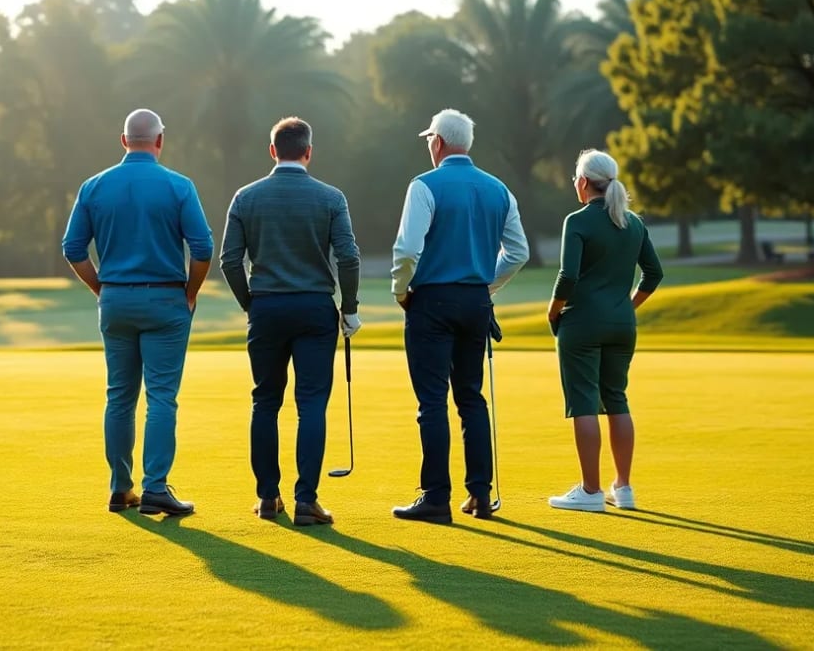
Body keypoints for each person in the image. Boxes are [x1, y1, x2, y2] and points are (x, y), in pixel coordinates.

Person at [62, 109, 214, 517]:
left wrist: (101, 288)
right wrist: (191, 293)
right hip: (166, 299)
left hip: (115, 299)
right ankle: (156, 488)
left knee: (119, 397)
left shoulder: (94, 186)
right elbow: (202, 249)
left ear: (123, 139)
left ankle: (120, 487)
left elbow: (73, 248)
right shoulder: (179, 186)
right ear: (160, 141)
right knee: (161, 396)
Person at [220, 117, 362, 526]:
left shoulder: (245, 197)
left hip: (266, 308)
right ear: (308, 152)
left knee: (265, 401)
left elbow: (230, 260)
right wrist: (349, 307)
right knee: (311, 405)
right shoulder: (331, 198)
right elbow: (348, 257)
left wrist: (251, 303)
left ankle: (267, 497)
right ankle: (306, 500)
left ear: (272, 151)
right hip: (315, 308)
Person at [390, 108, 529, 524]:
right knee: (471, 399)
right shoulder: (498, 188)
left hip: (430, 302)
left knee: (431, 401)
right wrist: (484, 286)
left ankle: (436, 497)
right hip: (475, 304)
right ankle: (480, 495)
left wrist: (401, 293)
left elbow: (408, 250)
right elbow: (518, 252)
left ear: (437, 142)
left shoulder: (424, 186)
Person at [546, 149, 663, 513]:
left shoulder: (577, 221)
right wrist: (627, 308)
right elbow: (654, 274)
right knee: (617, 398)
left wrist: (553, 311)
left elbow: (568, 276)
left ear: (583, 182)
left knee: (583, 402)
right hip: (622, 325)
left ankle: (591, 490)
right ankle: (623, 488)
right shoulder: (634, 223)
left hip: (581, 323)